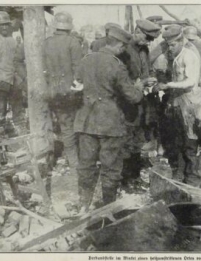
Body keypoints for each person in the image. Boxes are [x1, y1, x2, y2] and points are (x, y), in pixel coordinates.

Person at [74, 26, 146, 212]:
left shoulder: (86, 60)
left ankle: (84, 205)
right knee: (111, 166)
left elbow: (77, 85)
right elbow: (133, 97)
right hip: (110, 123)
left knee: (86, 165)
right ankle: (108, 207)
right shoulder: (117, 65)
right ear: (120, 45)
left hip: (86, 120)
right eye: (123, 47)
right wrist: (139, 87)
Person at [157, 25, 201, 186]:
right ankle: (180, 173)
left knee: (191, 140)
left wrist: (168, 85)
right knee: (178, 139)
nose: (170, 49)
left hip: (191, 103)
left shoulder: (189, 56)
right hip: (179, 102)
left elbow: (191, 81)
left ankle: (192, 178)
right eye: (168, 45)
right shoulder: (174, 57)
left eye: (173, 45)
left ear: (181, 41)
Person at [118, 19, 160, 192]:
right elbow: (120, 79)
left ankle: (134, 176)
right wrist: (140, 82)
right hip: (126, 102)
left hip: (140, 100)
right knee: (126, 140)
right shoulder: (124, 50)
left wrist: (150, 78)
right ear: (137, 31)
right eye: (146, 37)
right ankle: (124, 180)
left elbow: (146, 70)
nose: (148, 41)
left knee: (138, 139)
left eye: (151, 39)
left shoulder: (144, 49)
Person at [43, 11, 83, 175]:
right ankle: (74, 162)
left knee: (56, 126)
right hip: (69, 91)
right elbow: (78, 70)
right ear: (68, 26)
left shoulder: (46, 43)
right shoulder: (73, 42)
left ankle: (53, 159)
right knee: (70, 127)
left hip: (52, 90)